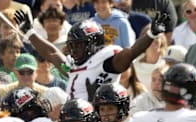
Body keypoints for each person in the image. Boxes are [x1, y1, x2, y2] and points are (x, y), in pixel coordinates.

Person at [19, 12, 170, 102]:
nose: (73, 49)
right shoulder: (75, 65)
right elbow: (52, 54)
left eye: (78, 44)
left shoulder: (106, 60)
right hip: (75, 119)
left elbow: (131, 53)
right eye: (72, 45)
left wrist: (151, 34)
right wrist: (30, 33)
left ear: (94, 43)